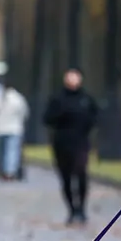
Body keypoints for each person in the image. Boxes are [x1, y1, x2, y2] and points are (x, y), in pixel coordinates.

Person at [43, 69, 99, 224]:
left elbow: (95, 116)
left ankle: (81, 208)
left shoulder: (86, 99)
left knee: (81, 174)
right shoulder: (58, 99)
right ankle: (72, 209)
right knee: (66, 177)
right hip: (61, 143)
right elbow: (48, 118)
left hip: (81, 142)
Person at [0, 83, 29, 181]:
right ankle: (9, 172)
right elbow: (24, 112)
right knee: (12, 151)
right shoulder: (18, 98)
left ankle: (2, 170)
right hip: (14, 129)